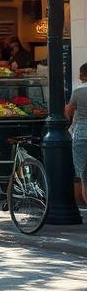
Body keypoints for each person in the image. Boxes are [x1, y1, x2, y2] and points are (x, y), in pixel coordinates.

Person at [64, 62, 87, 208]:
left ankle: (82, 203)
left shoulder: (78, 91)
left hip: (82, 133)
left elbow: (68, 113)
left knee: (82, 174)